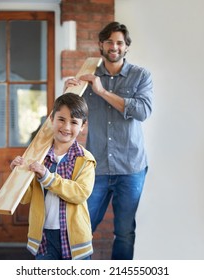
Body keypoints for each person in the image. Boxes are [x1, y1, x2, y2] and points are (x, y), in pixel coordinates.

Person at [64, 22, 153, 260]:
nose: (114, 47)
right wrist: (67, 94)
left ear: (126, 47)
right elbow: (69, 119)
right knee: (82, 229)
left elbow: (143, 112)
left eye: (119, 42)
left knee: (124, 232)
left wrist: (102, 92)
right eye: (109, 42)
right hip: (97, 167)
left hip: (131, 167)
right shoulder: (87, 78)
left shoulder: (141, 76)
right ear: (101, 45)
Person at [10, 92, 96, 260]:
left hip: (75, 241)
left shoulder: (86, 160)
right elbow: (26, 198)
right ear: (51, 119)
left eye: (74, 122)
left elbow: (80, 193)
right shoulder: (37, 157)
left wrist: (47, 178)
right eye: (61, 119)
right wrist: (17, 175)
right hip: (44, 238)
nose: (66, 127)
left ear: (83, 126)